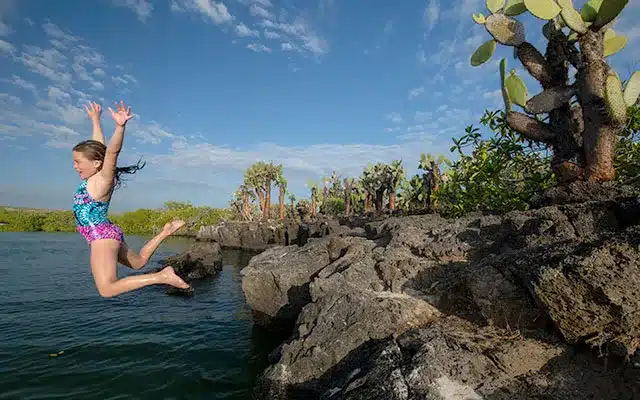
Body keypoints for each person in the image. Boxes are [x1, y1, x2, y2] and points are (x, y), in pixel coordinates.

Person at [72, 100, 190, 297]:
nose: (75, 166)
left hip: (101, 236)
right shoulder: (94, 174)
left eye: (77, 162)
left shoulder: (102, 180)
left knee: (107, 289)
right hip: (107, 231)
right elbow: (99, 147)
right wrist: (96, 121)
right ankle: (165, 232)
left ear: (96, 163)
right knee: (139, 262)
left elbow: (111, 152)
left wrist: (120, 127)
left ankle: (161, 277)